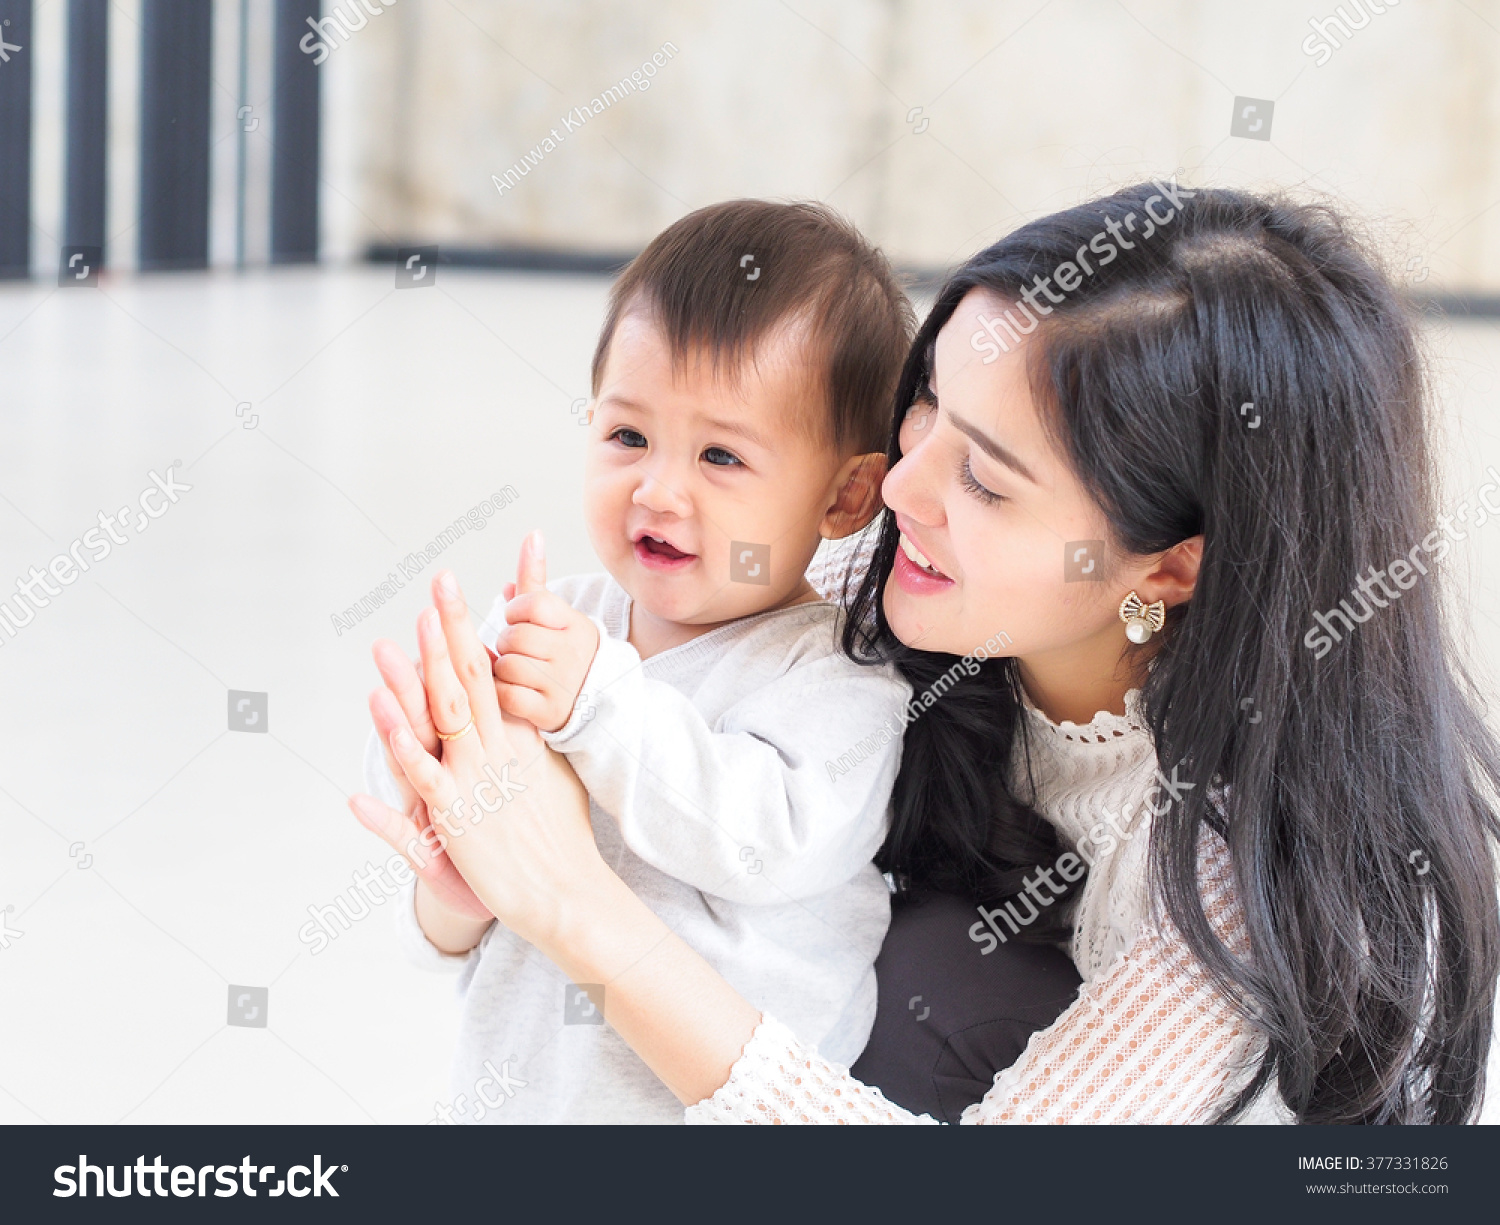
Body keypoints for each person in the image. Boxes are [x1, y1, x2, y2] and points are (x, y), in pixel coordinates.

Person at [355, 182, 1500, 1124]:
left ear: (1168, 567)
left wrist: (570, 901)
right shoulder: (881, 573)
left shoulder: (1248, 878)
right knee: (935, 961)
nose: (896, 489)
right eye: (927, 407)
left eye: (987, 478)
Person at [359, 200, 922, 1122]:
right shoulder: (560, 623)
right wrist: (450, 869)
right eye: (628, 436)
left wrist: (599, 704)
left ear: (847, 494)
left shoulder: (837, 682)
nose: (658, 488)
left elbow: (759, 839)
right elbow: (445, 940)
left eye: (720, 456)